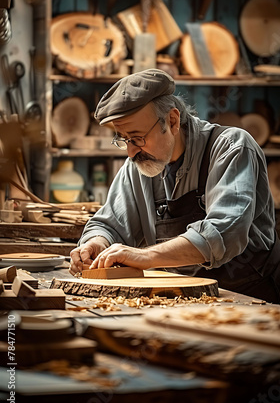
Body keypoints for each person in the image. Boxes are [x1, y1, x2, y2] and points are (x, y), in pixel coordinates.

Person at [70, 68, 280, 303]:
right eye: (124, 139)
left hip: (250, 296)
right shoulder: (138, 165)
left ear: (172, 121)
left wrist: (146, 257)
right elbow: (110, 224)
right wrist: (96, 243)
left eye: (137, 137)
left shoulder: (232, 147)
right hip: (183, 299)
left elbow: (224, 233)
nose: (130, 152)